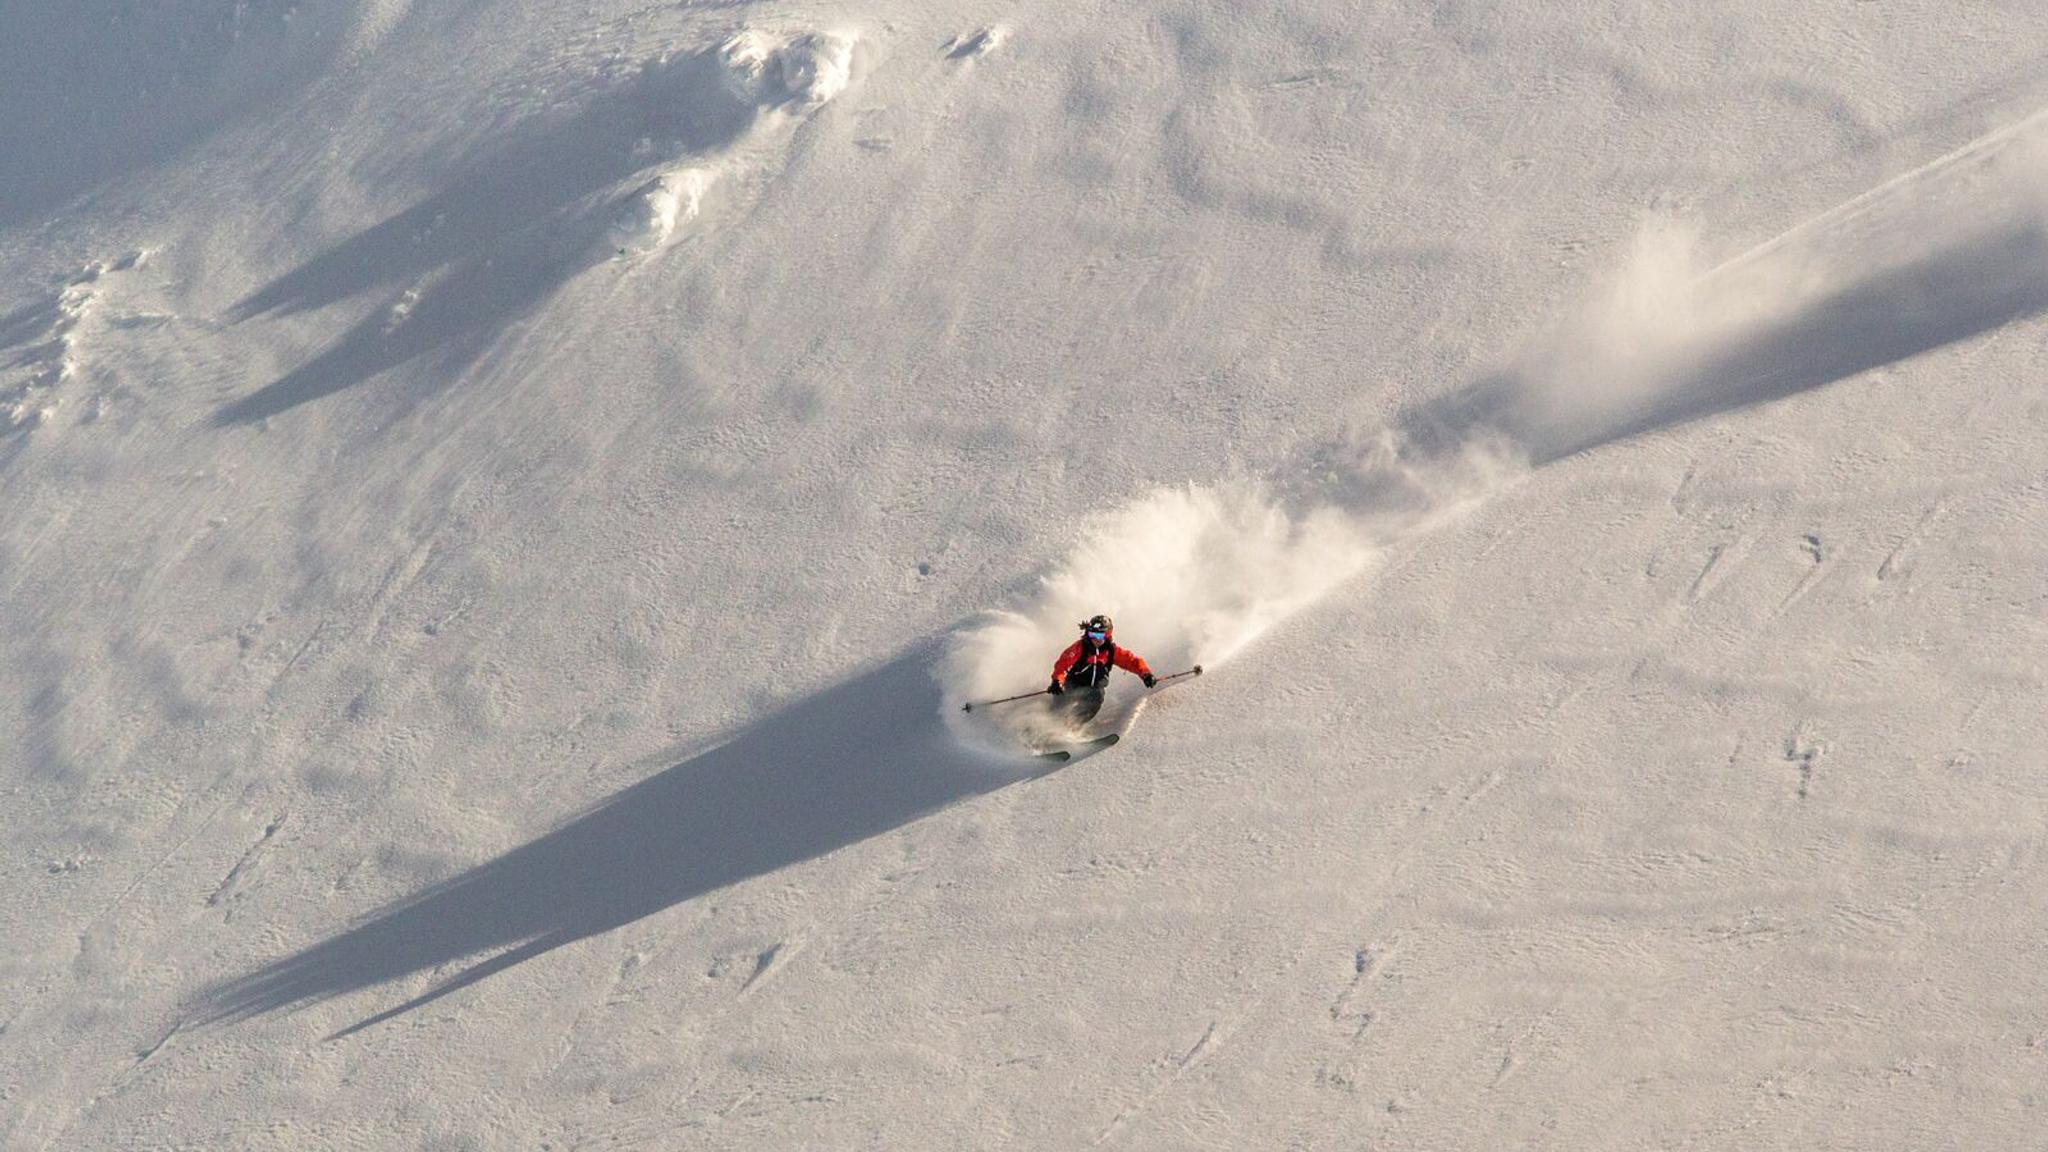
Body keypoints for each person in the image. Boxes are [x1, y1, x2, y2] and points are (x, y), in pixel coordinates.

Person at [1048, 614, 1155, 726]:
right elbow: (1062, 665)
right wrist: (1057, 681)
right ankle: (1047, 723)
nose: (1095, 639)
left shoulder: (1111, 651)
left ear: (1108, 635)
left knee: (1095, 699)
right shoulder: (1079, 648)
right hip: (1072, 684)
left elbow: (1132, 662)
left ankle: (1069, 726)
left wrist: (1146, 674)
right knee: (1061, 702)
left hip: (1093, 690)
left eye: (1100, 635)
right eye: (1092, 634)